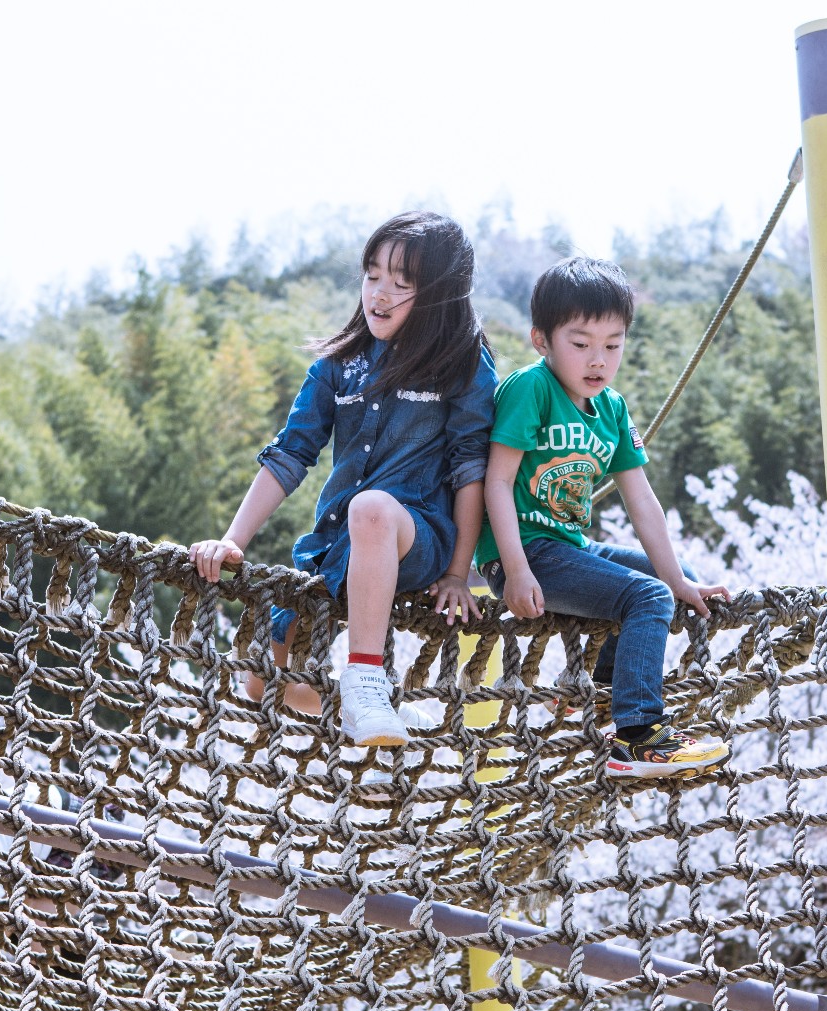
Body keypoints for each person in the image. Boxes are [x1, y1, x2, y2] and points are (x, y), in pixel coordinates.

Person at [189, 211, 493, 747]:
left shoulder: (462, 362)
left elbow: (473, 469)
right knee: (259, 685)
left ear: (441, 296)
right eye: (372, 274)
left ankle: (366, 677)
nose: (380, 292)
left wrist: (456, 572)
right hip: (336, 550)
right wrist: (233, 540)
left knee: (372, 508)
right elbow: (291, 454)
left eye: (403, 284)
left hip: (414, 539)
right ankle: (380, 716)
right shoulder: (340, 365)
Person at [475, 257, 729, 778]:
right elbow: (495, 482)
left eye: (612, 345)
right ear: (541, 340)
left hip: (567, 549)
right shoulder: (532, 389)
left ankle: (606, 694)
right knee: (648, 596)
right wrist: (515, 568)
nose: (598, 360)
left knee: (670, 585)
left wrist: (678, 577)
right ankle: (637, 737)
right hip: (524, 551)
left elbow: (643, 502)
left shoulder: (611, 408)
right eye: (581, 343)